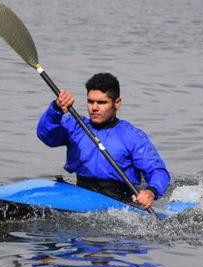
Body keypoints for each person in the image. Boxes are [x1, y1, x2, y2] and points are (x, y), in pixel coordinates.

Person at [37, 72, 171, 209]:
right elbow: (46, 135)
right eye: (90, 101)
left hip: (119, 202)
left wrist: (150, 192)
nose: (94, 108)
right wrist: (56, 109)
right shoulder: (75, 125)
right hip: (81, 192)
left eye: (101, 102)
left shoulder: (132, 136)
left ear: (117, 103)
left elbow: (157, 171)